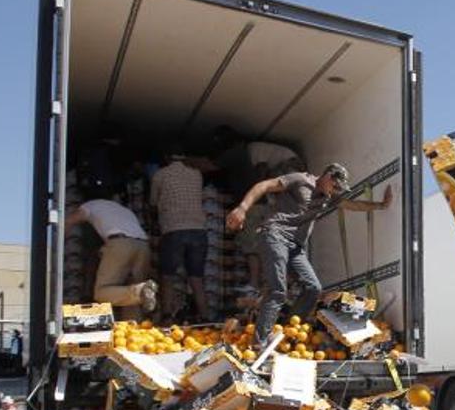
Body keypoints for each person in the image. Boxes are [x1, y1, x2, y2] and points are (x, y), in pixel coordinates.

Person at [226, 164, 392, 346]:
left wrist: (381, 205)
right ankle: (260, 343)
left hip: (296, 247)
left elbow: (353, 205)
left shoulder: (329, 197)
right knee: (277, 290)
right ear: (327, 176)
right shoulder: (301, 180)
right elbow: (264, 186)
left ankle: (289, 329)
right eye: (335, 186)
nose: (335, 191)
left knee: (313, 288)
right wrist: (242, 208)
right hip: (275, 235)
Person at [65, 198, 157, 320]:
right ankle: (133, 328)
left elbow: (70, 221)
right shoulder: (124, 210)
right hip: (143, 246)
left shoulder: (89, 205)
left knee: (102, 293)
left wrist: (61, 242)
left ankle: (139, 290)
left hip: (120, 243)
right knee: (132, 295)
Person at [150, 146, 211, 323]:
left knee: (167, 275)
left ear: (166, 157)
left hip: (173, 229)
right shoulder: (196, 174)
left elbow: (153, 203)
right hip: (199, 230)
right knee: (196, 277)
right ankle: (205, 316)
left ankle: (167, 316)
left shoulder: (160, 175)